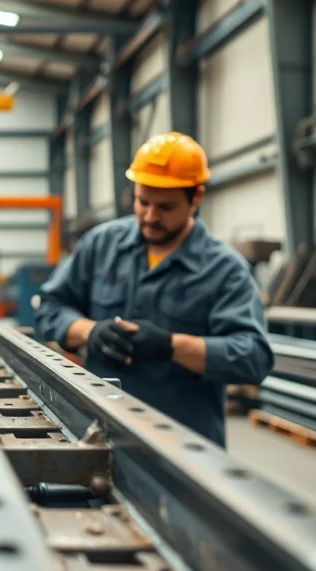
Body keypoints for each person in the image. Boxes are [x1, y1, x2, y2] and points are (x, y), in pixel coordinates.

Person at [34, 131, 273, 448]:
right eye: (142, 202)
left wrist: (172, 346)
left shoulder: (225, 270)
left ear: (196, 198)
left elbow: (253, 357)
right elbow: (49, 307)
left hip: (184, 448)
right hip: (98, 436)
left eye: (165, 207)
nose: (149, 216)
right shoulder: (101, 245)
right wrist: (90, 331)